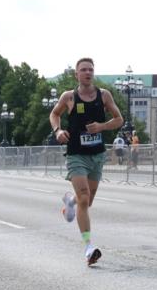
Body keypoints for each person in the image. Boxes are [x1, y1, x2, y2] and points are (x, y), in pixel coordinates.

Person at [49, 58, 124, 266]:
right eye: (83, 70)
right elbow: (54, 114)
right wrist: (58, 130)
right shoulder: (69, 97)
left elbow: (119, 120)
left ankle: (69, 204)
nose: (87, 73)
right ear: (77, 74)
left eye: (90, 69)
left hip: (97, 155)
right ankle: (88, 247)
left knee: (87, 201)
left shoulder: (104, 95)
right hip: (76, 154)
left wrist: (102, 126)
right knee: (84, 198)